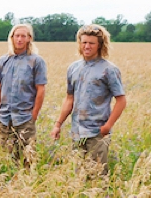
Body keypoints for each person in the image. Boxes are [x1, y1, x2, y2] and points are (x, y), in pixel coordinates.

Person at [51, 24, 126, 168]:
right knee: (78, 175)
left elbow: (121, 101)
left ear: (99, 45)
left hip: (97, 132)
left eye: (91, 43)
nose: (87, 46)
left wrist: (108, 126)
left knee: (97, 175)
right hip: (77, 132)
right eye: (84, 42)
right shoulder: (73, 68)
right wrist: (58, 125)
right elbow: (69, 99)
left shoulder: (109, 70)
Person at [0, 23, 47, 161]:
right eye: (17, 36)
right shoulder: (3, 60)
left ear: (29, 38)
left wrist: (33, 115)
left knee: (26, 157)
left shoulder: (36, 61)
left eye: (23, 36)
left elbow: (40, 89)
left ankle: (26, 181)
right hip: (5, 117)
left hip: (24, 117)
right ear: (12, 38)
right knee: (7, 156)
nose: (19, 39)